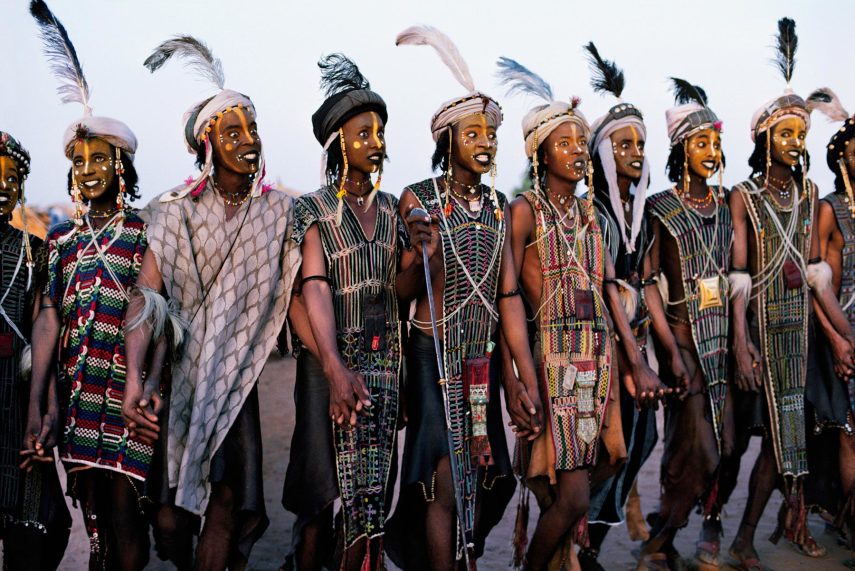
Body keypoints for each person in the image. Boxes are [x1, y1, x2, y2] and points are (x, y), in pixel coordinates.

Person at [121, 36, 300, 570]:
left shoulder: (280, 214)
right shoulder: (172, 213)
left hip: (237, 381)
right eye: (232, 131)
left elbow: (296, 293)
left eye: (252, 127)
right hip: (176, 380)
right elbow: (145, 298)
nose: (248, 139)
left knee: (225, 501)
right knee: (170, 520)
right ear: (205, 144)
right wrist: (136, 381)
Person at [495, 57, 663, 571]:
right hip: (553, 359)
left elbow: (610, 288)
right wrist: (521, 376)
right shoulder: (524, 211)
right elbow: (507, 300)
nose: (573, 151)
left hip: (598, 358)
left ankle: (562, 552)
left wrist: (635, 360)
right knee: (569, 494)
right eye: (561, 143)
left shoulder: (589, 213)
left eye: (577, 142)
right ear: (539, 153)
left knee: (612, 458)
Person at [387, 25, 543, 570]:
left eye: (491, 134)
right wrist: (424, 256)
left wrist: (522, 376)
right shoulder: (419, 198)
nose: (486, 141)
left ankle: (457, 557)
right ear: (446, 140)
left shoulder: (501, 206)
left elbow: (506, 297)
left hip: (484, 359)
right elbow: (403, 287)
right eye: (473, 132)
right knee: (444, 479)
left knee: (487, 476)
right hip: (432, 358)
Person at [717, 18, 855, 570]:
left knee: (789, 441)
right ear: (764, 140)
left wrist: (843, 336)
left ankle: (777, 527)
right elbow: (739, 276)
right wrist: (742, 343)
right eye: (787, 133)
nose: (797, 143)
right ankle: (736, 531)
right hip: (763, 334)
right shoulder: (743, 197)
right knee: (757, 443)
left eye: (802, 134)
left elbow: (817, 274)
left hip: (803, 331)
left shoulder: (813, 195)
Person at [26, 2, 154, 569]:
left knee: (128, 519)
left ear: (121, 166)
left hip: (128, 400)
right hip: (78, 398)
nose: (87, 170)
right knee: (96, 520)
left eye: (99, 158)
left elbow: (154, 314)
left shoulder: (145, 233)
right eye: (78, 162)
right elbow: (49, 320)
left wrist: (149, 390)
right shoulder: (61, 243)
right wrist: (43, 399)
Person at [281, 53, 405, 571]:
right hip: (323, 362)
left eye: (378, 132)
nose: (375, 143)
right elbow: (310, 288)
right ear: (337, 144)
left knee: (371, 500)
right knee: (318, 499)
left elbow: (397, 293)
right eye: (362, 134)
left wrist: (419, 258)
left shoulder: (396, 208)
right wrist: (333, 368)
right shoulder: (310, 209)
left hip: (383, 365)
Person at [639, 79, 730, 570]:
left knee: (722, 444)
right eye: (701, 143)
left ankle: (675, 535)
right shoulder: (661, 207)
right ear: (680, 148)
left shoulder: (725, 206)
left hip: (725, 344)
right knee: (691, 447)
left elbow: (739, 277)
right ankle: (661, 537)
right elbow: (649, 279)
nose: (711, 152)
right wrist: (670, 348)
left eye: (716, 143)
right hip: (684, 341)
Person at [581, 42, 661, 571]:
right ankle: (579, 543)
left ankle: (592, 539)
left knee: (643, 436)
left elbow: (647, 284)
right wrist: (633, 361)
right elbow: (605, 289)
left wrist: (662, 355)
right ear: (604, 154)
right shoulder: (593, 212)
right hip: (600, 349)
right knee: (607, 447)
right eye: (622, 143)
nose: (634, 151)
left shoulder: (645, 212)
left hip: (636, 345)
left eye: (640, 142)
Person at [0, 131, 71, 570]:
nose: (3, 186)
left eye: (13, 178)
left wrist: (43, 410)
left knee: (34, 525)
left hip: (15, 406)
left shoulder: (34, 253)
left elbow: (44, 335)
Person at [807, 87, 855, 566]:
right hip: (845, 333)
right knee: (849, 431)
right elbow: (817, 283)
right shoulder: (832, 209)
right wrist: (839, 340)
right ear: (842, 156)